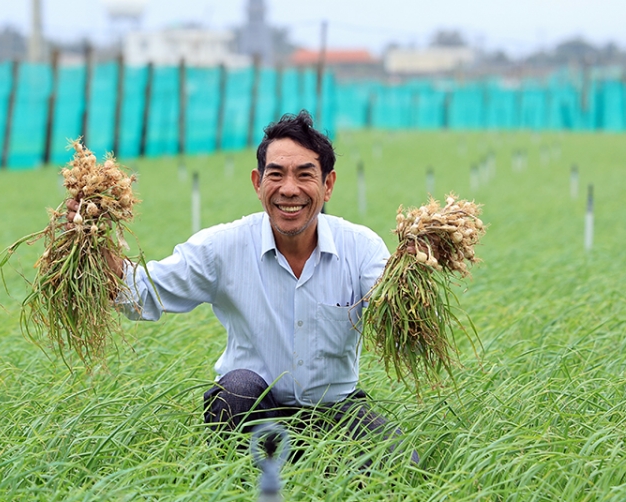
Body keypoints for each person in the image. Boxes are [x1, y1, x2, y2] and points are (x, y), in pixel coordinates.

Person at [88, 111, 416, 464]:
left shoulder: (361, 247)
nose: (289, 189)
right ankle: (242, 484)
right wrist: (90, 236)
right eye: (276, 175)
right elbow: (143, 292)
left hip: (335, 409)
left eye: (305, 175)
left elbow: (394, 312)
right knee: (236, 389)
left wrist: (414, 274)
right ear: (258, 183)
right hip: (255, 407)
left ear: (328, 184)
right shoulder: (224, 246)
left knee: (400, 463)